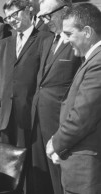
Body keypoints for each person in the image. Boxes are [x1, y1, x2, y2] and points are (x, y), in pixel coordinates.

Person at [46, 3, 101, 193]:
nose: (66, 39)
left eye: (69, 34)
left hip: (86, 173)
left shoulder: (98, 63)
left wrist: (55, 143)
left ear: (87, 31)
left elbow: (82, 117)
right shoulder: (91, 60)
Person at [28, 0, 82, 194]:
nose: (44, 20)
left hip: (60, 120)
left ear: (65, 11)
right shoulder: (47, 40)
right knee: (43, 177)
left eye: (48, 15)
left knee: (60, 176)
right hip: (39, 119)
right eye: (41, 17)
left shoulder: (76, 41)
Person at [0, 0, 52, 147]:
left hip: (31, 114)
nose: (11, 20)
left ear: (28, 10)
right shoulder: (3, 44)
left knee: (29, 164)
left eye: (15, 14)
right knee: (8, 164)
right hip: (5, 116)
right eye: (7, 17)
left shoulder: (45, 39)